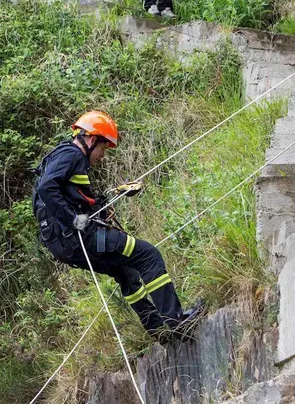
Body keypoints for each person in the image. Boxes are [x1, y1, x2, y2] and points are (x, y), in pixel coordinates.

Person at [33, 111, 201, 343]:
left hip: (63, 245)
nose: (103, 155)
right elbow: (46, 188)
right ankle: (176, 322)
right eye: (104, 148)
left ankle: (160, 331)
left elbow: (70, 197)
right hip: (77, 236)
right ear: (92, 140)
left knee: (125, 270)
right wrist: (72, 219)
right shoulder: (71, 155)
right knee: (148, 255)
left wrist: (103, 204)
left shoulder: (66, 158)